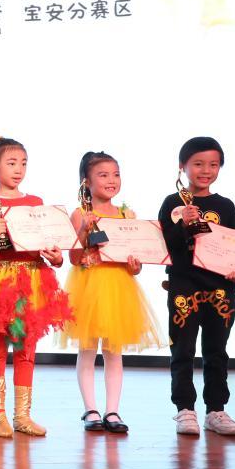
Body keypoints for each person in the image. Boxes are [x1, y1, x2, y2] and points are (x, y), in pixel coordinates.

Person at [0, 131, 71, 439]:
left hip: (33, 279)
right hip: (1, 281)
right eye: (11, 163)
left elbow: (46, 247)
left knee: (26, 348)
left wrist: (56, 258)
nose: (18, 169)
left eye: (23, 163)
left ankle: (23, 415)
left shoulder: (35, 203)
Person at [61, 151, 161, 435]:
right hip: (90, 286)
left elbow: (134, 263)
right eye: (103, 175)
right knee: (87, 349)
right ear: (86, 181)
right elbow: (74, 258)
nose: (111, 180)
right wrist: (84, 229)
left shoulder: (127, 215)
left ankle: (113, 410)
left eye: (116, 174)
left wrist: (135, 265)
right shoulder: (79, 214)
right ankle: (91, 409)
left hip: (119, 286)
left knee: (114, 351)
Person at [158, 136, 235, 437]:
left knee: (216, 351)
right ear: (182, 166)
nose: (206, 171)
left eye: (213, 165)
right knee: (182, 349)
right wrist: (182, 224)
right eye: (198, 164)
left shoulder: (225, 206)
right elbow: (165, 246)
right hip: (183, 285)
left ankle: (216, 410)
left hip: (220, 289)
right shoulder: (173, 203)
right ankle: (185, 409)